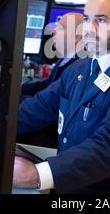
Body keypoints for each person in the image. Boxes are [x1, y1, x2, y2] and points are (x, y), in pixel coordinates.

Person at [13, 0, 110, 193]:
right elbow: (38, 108)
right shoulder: (80, 68)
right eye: (86, 19)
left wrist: (37, 175)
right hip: (71, 186)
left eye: (101, 20)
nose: (89, 30)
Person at [18, 13, 84, 148]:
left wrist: (11, 107)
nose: (53, 31)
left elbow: (47, 104)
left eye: (61, 27)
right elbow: (46, 86)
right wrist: (16, 89)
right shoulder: (66, 58)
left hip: (51, 137)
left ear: (77, 36)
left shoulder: (78, 66)